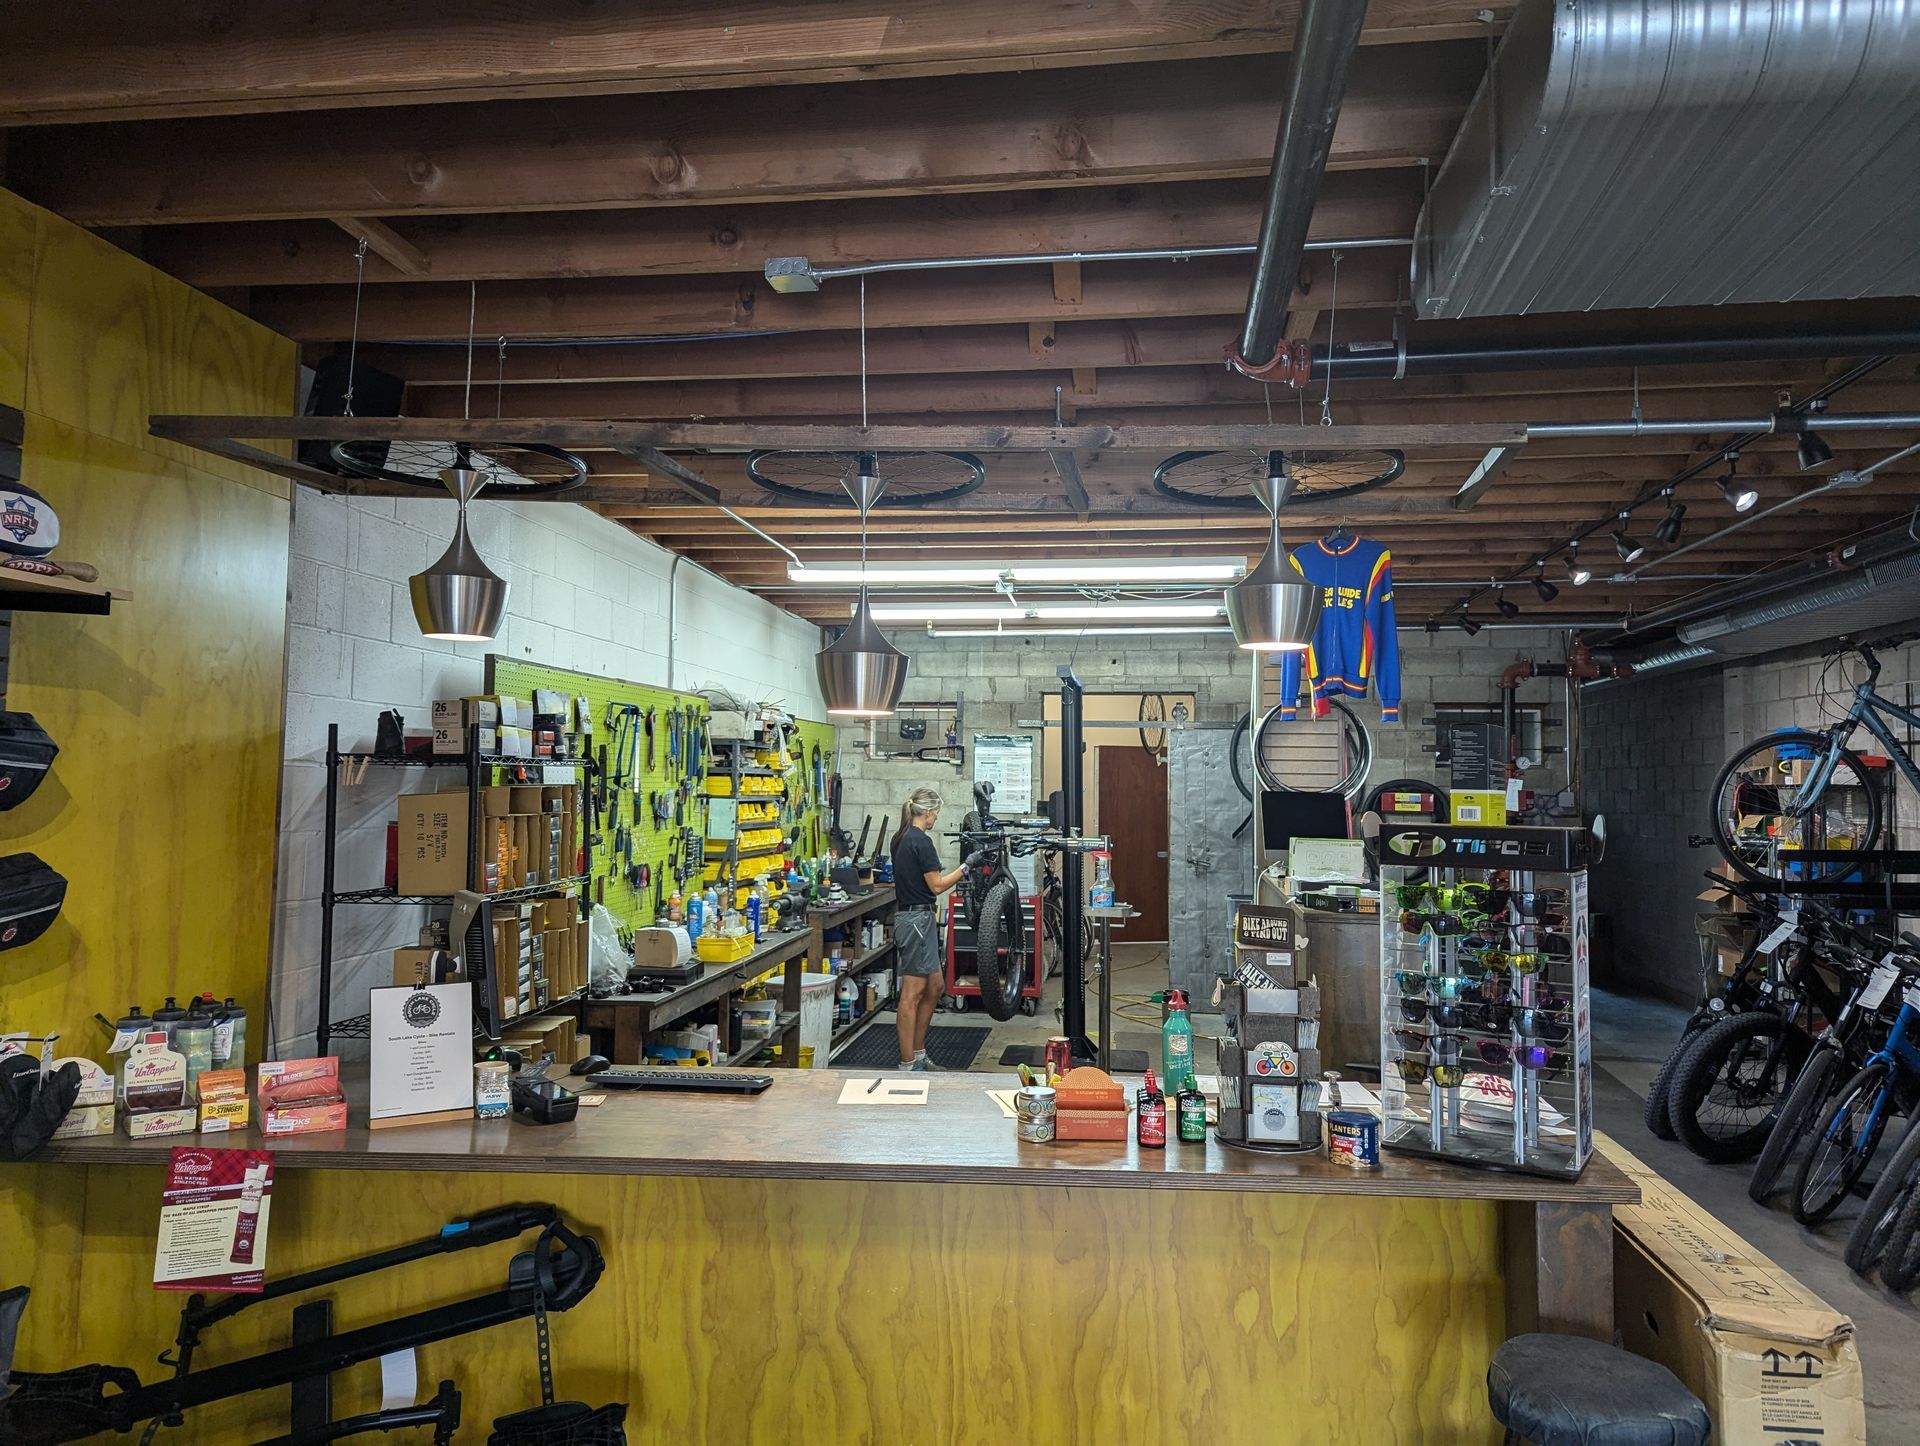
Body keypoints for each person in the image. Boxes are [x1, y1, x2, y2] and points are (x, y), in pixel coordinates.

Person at [889, 787, 983, 1071]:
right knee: (912, 993)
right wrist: (967, 866)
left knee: (936, 986)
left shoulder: (900, 837)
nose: (936, 818)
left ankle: (918, 1053)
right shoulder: (921, 841)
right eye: (936, 813)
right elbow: (938, 885)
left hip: (917, 919)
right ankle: (908, 1065)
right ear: (928, 812)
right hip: (916, 922)